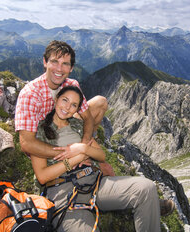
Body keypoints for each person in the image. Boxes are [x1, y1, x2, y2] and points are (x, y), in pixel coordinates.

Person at [31, 86, 162, 232]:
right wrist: (77, 158)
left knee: (146, 188)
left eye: (74, 105)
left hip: (94, 182)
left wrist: (84, 149)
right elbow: (42, 176)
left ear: (77, 110)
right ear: (56, 99)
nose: (67, 107)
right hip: (63, 193)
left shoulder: (77, 125)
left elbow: (101, 155)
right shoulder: (39, 130)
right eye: (65, 100)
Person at [15, 40, 108, 159]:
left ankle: (89, 141)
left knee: (100, 102)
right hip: (45, 138)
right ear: (45, 62)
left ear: (71, 68)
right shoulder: (30, 94)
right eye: (54, 61)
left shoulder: (72, 85)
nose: (59, 69)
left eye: (65, 64)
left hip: (64, 126)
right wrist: (69, 154)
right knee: (102, 166)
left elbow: (87, 117)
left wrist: (84, 144)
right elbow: (27, 144)